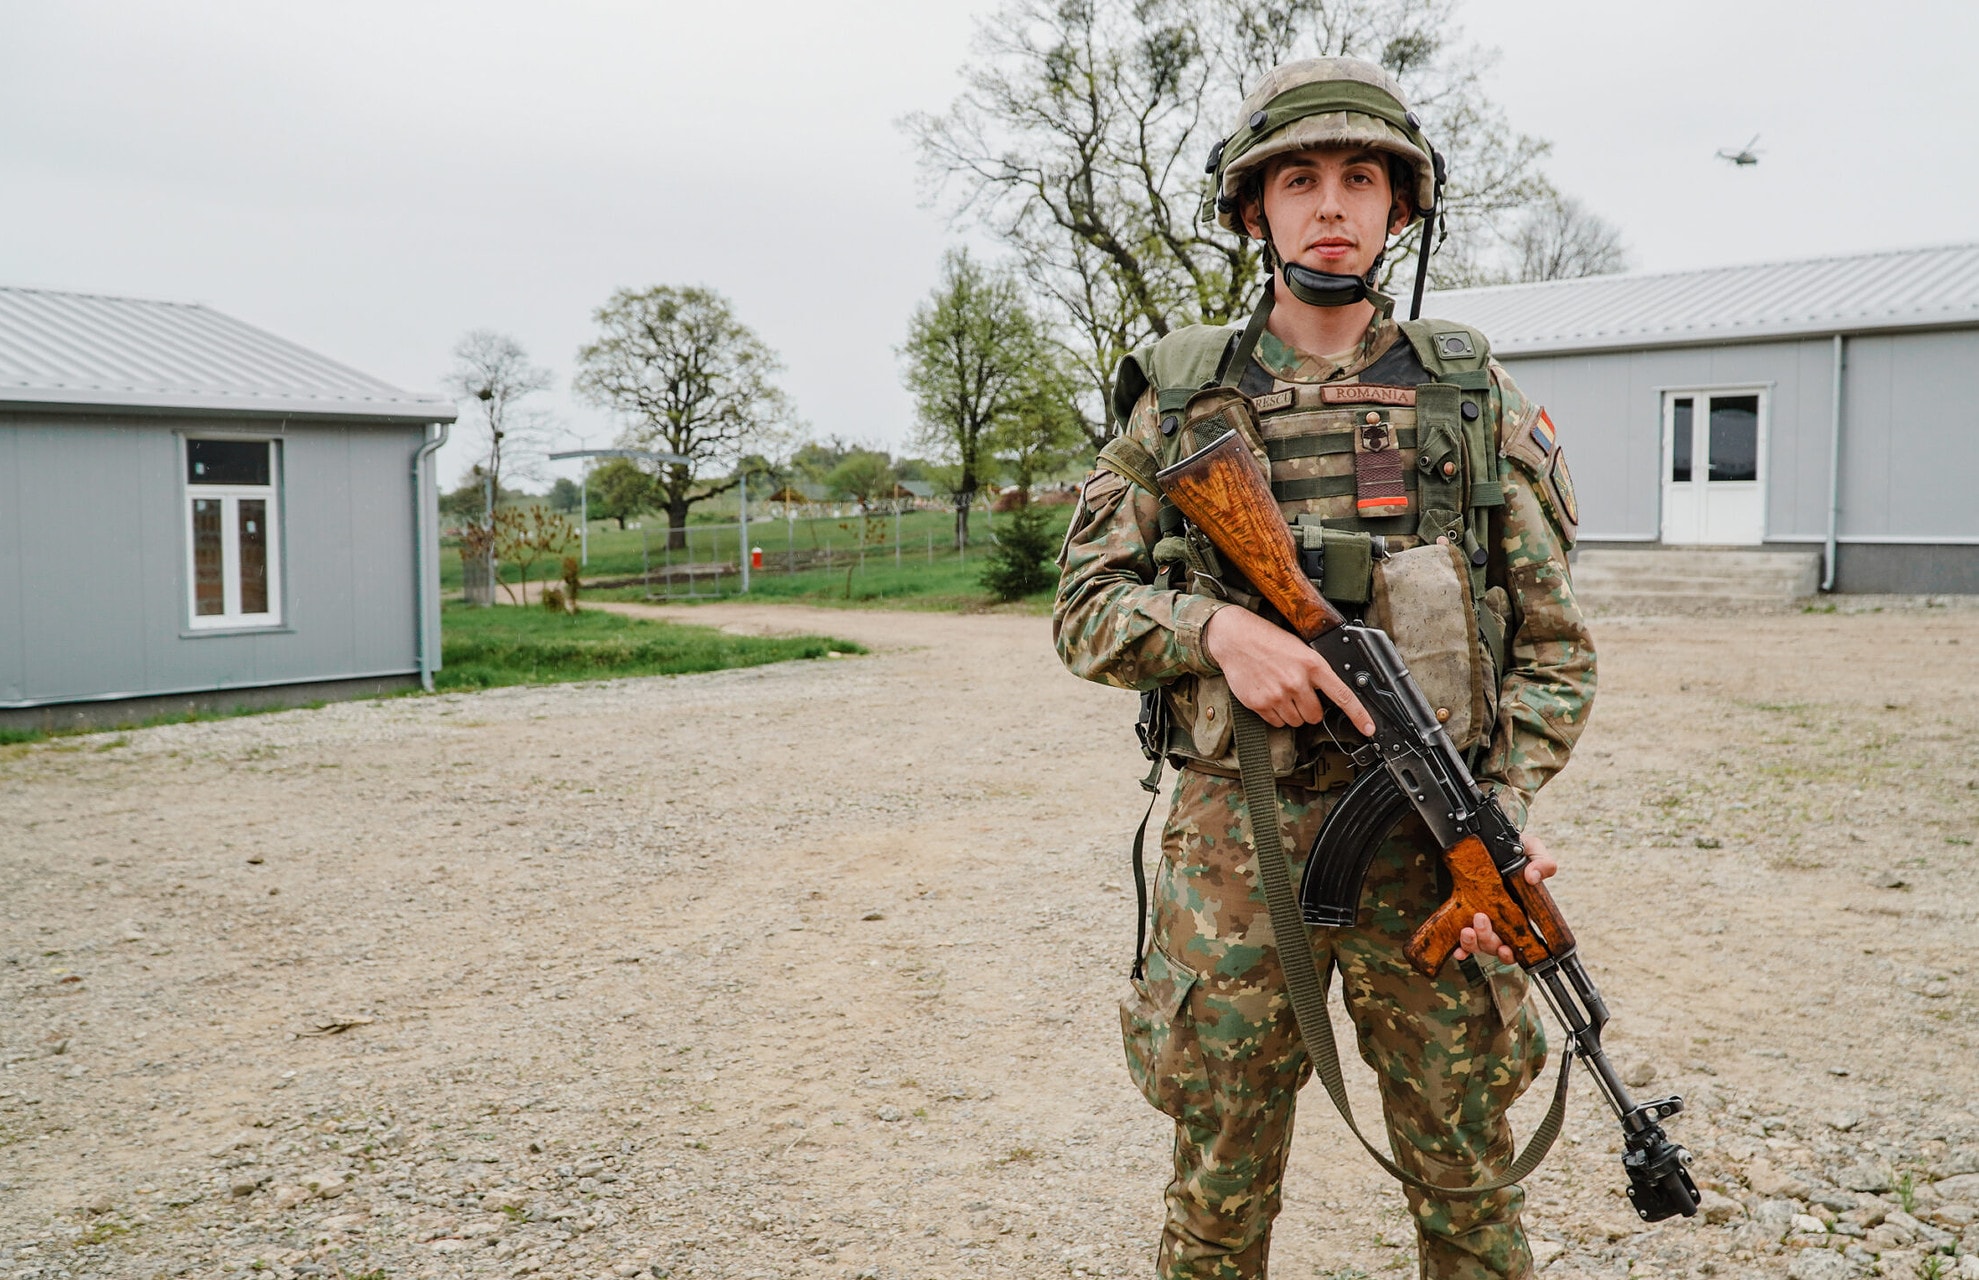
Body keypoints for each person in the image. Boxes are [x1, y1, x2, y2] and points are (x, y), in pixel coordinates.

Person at [1052, 56, 1595, 1280]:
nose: (1333, 206)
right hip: (1229, 846)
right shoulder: (1181, 399)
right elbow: (1081, 608)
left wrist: (1499, 812)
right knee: (1218, 1189)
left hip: (1427, 854)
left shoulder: (1470, 400)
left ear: (1400, 207)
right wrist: (1217, 633)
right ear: (1254, 209)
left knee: (1467, 1185)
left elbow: (1554, 647)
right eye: (1300, 180)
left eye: (1362, 178)